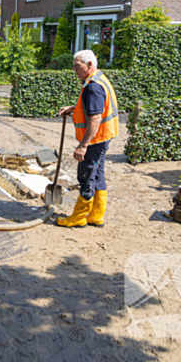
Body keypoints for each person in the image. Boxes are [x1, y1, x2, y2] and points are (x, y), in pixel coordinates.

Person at [56, 49, 119, 228]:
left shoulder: (93, 87)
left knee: (86, 176)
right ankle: (96, 215)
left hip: (94, 139)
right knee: (97, 174)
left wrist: (83, 145)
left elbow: (95, 118)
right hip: (103, 137)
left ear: (89, 65)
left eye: (77, 66)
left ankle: (79, 217)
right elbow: (92, 108)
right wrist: (73, 108)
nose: (74, 70)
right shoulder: (98, 79)